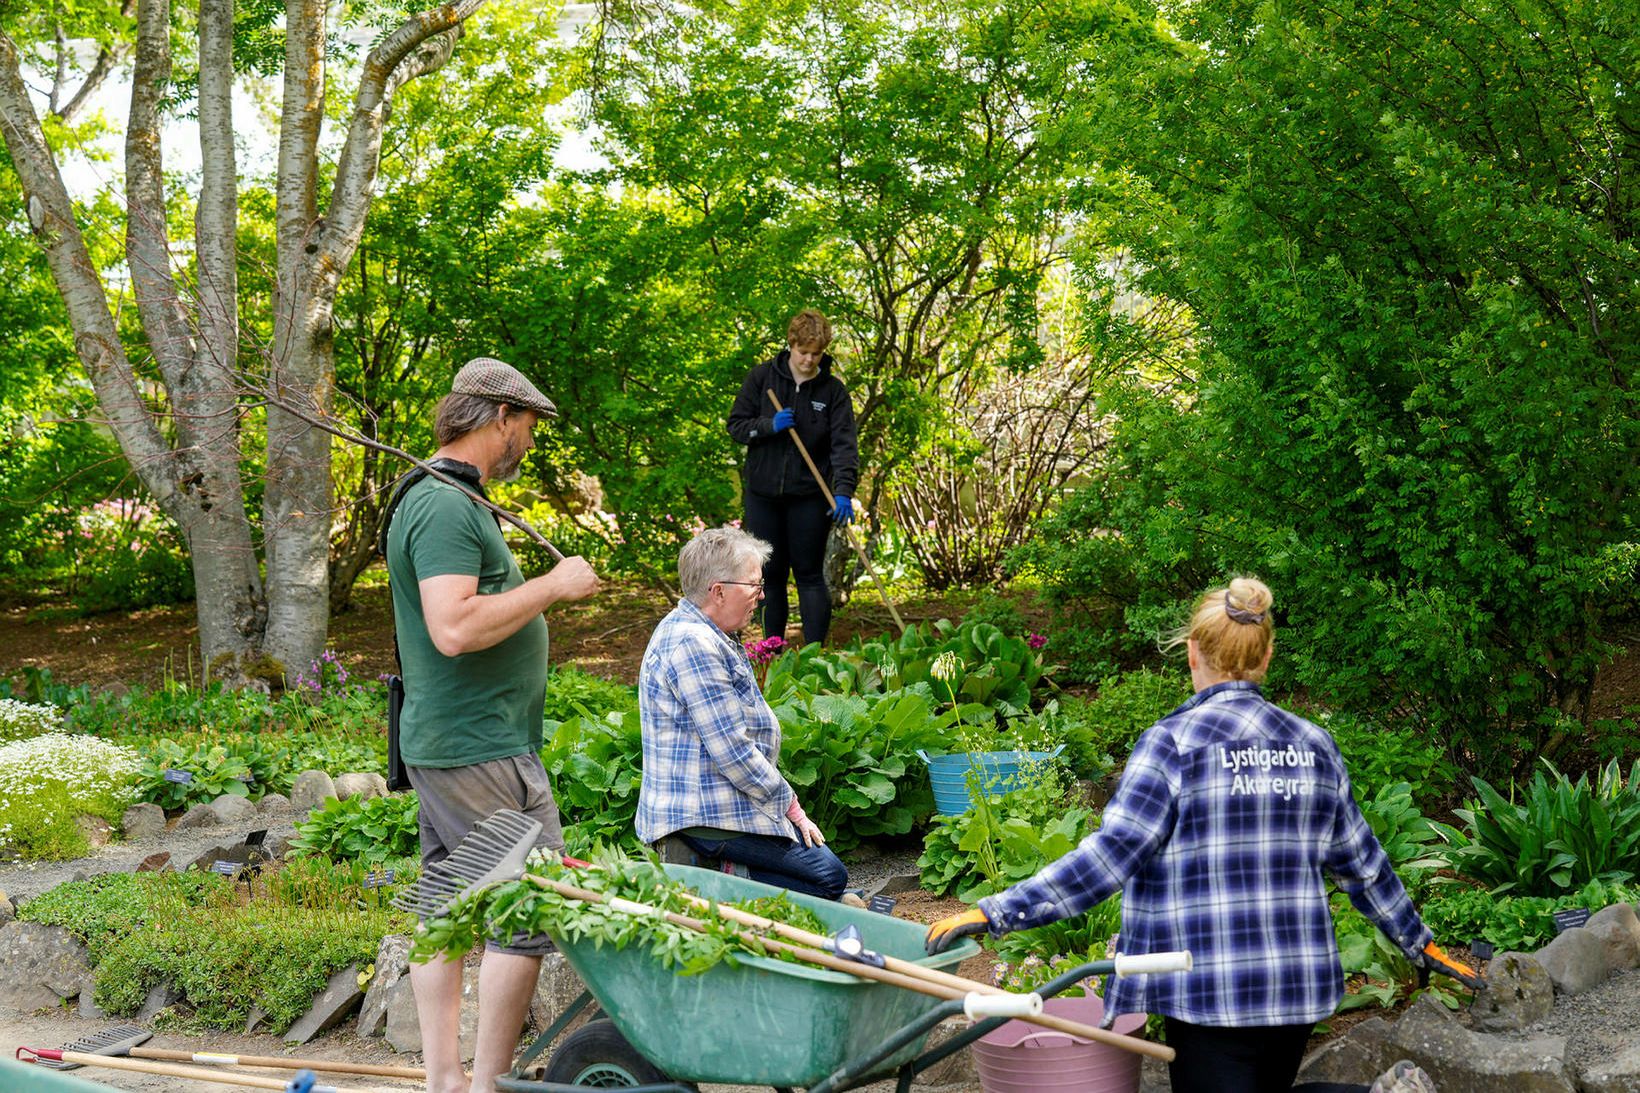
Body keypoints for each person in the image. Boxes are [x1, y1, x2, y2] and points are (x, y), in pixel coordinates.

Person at [924, 578, 1478, 1093]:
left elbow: (1109, 858)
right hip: (1295, 987)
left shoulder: (1172, 745)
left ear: (1192, 652)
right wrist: (1418, 942)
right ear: (1266, 656)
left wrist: (996, 911)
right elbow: (1364, 865)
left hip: (1207, 993)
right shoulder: (1314, 744)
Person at [384, 357, 601, 1093]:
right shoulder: (443, 506)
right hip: (475, 748)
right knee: (531, 910)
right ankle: (486, 1086)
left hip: (467, 744)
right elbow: (452, 626)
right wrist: (553, 586)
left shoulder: (451, 497)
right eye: (529, 427)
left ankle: (447, 1082)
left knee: (443, 908)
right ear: (500, 417)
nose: (529, 445)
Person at [635, 525, 849, 898]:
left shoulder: (701, 629)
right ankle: (709, 875)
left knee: (825, 871)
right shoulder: (694, 645)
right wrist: (791, 807)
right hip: (702, 813)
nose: (762, 595)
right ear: (718, 591)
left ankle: (721, 869)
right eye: (753, 585)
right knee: (827, 876)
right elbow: (734, 753)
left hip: (723, 798)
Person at [726, 308, 859, 646]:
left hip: (809, 497)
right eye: (804, 352)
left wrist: (843, 490)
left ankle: (815, 654)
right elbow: (737, 426)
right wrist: (768, 426)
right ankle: (773, 652)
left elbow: (844, 447)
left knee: (810, 576)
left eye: (817, 353)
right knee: (770, 576)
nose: (809, 360)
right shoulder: (762, 379)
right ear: (791, 345)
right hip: (763, 496)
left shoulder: (832, 392)